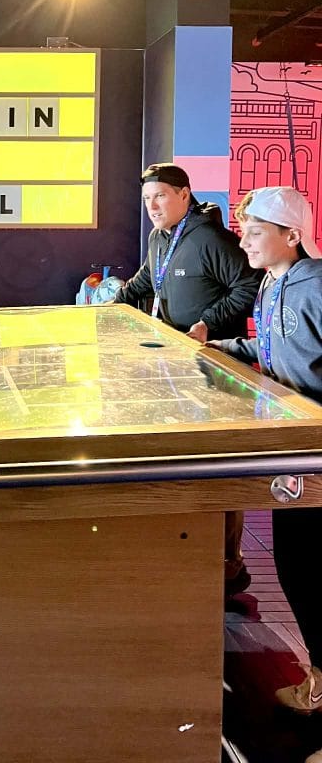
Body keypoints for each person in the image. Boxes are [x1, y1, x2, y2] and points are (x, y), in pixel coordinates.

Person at [209, 187, 322, 763]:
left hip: (316, 455)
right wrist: (223, 348)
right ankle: (317, 681)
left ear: (292, 236)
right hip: (295, 453)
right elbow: (275, 345)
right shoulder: (274, 283)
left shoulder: (317, 285)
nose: (245, 241)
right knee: (298, 570)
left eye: (255, 232)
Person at [114, 162, 262, 598]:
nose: (153, 206)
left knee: (219, 463)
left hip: (214, 366)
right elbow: (148, 278)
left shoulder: (209, 238)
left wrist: (207, 322)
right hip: (173, 368)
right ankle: (188, 553)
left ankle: (230, 564)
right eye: (147, 199)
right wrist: (114, 304)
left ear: (184, 194)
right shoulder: (160, 237)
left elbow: (248, 284)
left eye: (160, 196)